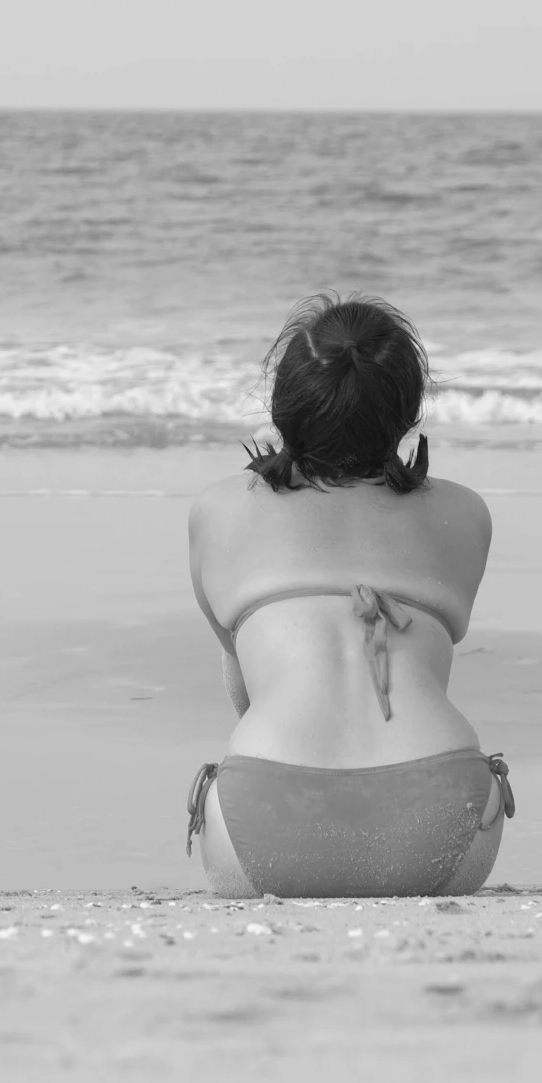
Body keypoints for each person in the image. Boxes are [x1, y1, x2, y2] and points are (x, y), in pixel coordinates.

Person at [186, 295, 510, 897]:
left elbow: (243, 687)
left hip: (270, 826)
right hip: (440, 821)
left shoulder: (219, 510)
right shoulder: (465, 514)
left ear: (286, 407)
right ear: (408, 408)